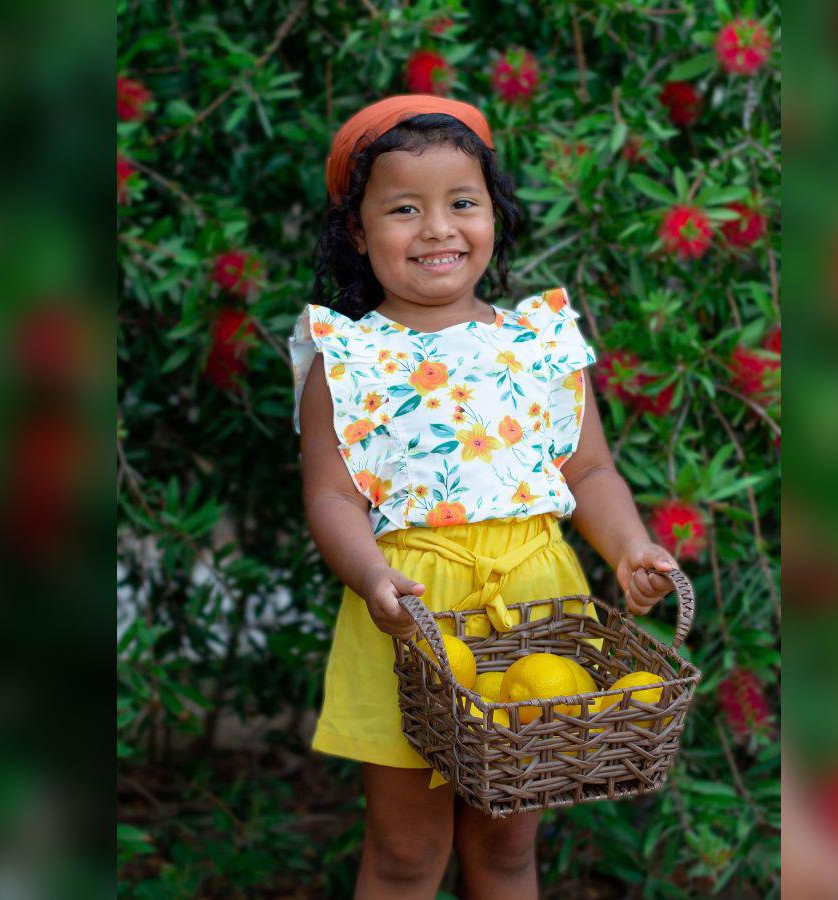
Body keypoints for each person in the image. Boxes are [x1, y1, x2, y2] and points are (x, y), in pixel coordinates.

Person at [289, 94, 683, 899]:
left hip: (536, 615)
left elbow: (589, 472)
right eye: (404, 209)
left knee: (506, 847)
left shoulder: (539, 341)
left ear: (494, 214)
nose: (437, 229)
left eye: (462, 203)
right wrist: (370, 575)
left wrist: (629, 548)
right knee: (406, 851)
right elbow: (330, 498)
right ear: (358, 232)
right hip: (410, 619)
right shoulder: (349, 356)